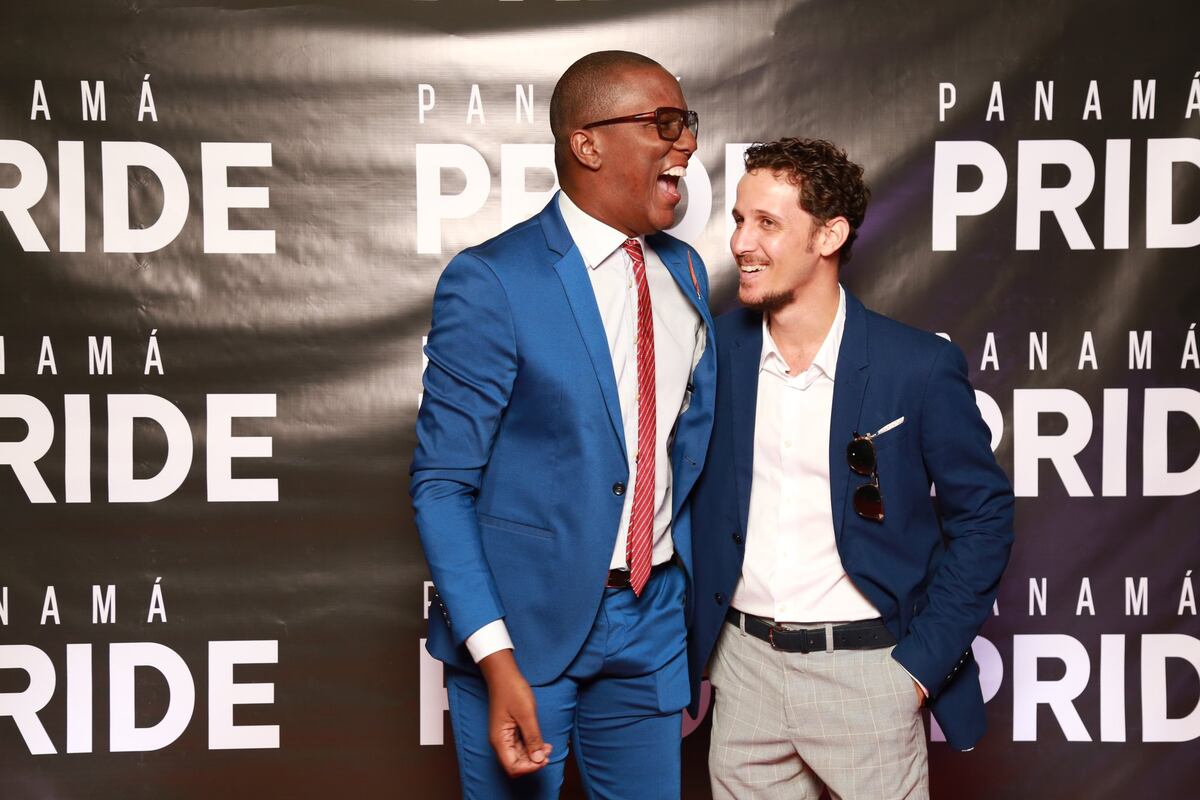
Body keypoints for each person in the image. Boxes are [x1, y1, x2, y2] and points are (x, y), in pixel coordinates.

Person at [411, 50, 714, 799]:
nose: (687, 142)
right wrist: (494, 657)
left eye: (687, 122)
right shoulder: (493, 279)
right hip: (523, 633)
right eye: (664, 123)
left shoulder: (686, 271)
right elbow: (442, 485)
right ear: (588, 143)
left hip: (652, 617)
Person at [686, 138, 1014, 799]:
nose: (742, 243)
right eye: (740, 220)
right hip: (743, 673)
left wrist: (915, 672)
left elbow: (984, 518)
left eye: (768, 223)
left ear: (830, 235)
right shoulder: (712, 352)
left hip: (868, 673)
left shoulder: (917, 366)